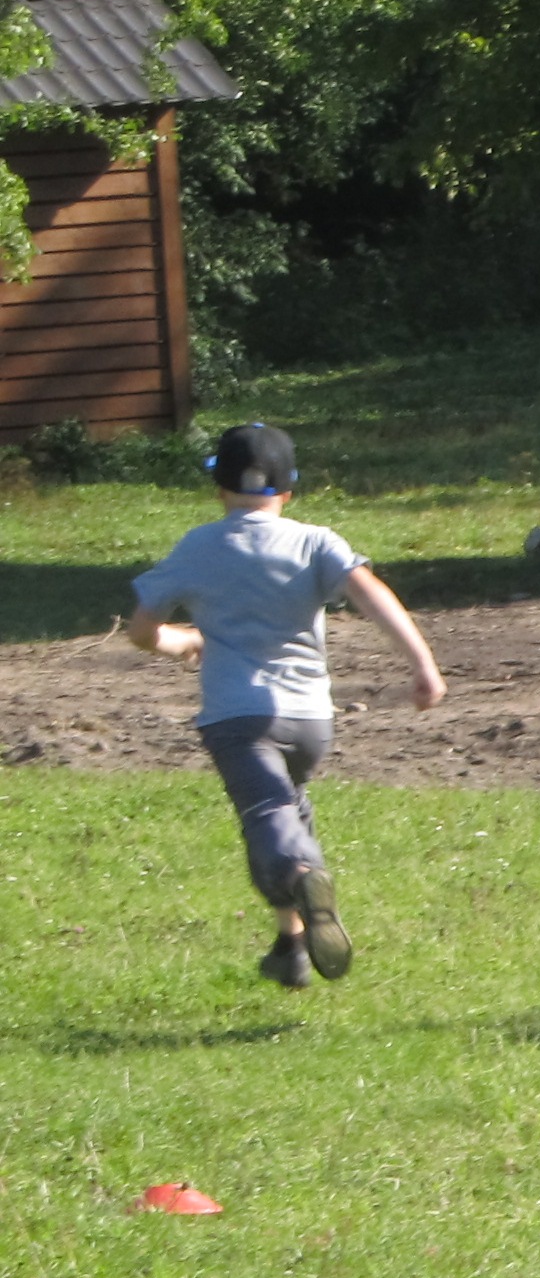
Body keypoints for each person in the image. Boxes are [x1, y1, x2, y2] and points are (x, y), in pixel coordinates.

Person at [118, 420, 446, 987]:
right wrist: (423, 665)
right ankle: (291, 945)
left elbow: (143, 630)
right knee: (283, 809)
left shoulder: (198, 546)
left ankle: (301, 875)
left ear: (219, 489)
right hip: (311, 719)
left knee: (268, 818)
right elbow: (374, 597)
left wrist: (182, 640)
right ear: (288, 492)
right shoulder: (315, 540)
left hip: (238, 719)